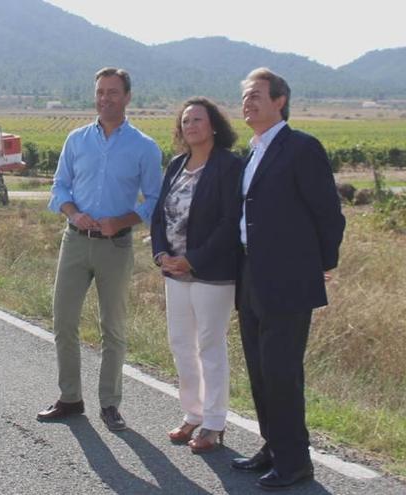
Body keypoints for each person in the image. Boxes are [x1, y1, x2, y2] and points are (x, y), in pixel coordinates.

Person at [231, 68, 345, 491]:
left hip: (288, 279)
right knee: (259, 371)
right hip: (251, 276)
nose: (248, 102)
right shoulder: (253, 150)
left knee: (281, 372)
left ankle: (296, 461)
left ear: (280, 100)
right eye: (244, 95)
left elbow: (329, 214)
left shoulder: (301, 148)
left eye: (257, 95)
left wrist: (321, 264)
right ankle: (273, 446)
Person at [37, 67, 162, 431]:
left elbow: (154, 200)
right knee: (64, 322)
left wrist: (121, 221)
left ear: (127, 97)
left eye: (113, 92)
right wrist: (73, 213)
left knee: (114, 328)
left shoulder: (144, 147)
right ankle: (70, 398)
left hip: (116, 246)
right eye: (100, 92)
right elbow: (59, 188)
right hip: (75, 242)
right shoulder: (76, 140)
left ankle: (110, 404)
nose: (105, 98)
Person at [150, 97, 242, 453]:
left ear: (214, 125)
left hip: (211, 273)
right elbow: (159, 215)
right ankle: (193, 413)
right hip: (174, 272)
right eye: (185, 120)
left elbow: (229, 224)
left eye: (198, 119)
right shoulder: (176, 165)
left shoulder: (228, 166)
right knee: (180, 344)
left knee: (210, 344)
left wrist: (193, 259)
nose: (191, 125)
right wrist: (161, 254)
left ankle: (215, 423)